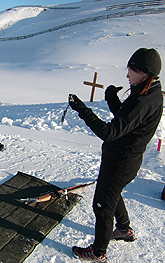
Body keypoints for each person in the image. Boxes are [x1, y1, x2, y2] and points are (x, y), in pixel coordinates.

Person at [68, 48, 163, 262]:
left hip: (120, 161)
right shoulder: (149, 93)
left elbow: (109, 132)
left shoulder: (144, 99)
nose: (127, 75)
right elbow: (128, 122)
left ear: (145, 72)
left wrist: (82, 109)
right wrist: (112, 100)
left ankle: (98, 253)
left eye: (131, 70)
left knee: (102, 206)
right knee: (113, 193)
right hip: (124, 160)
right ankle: (124, 229)